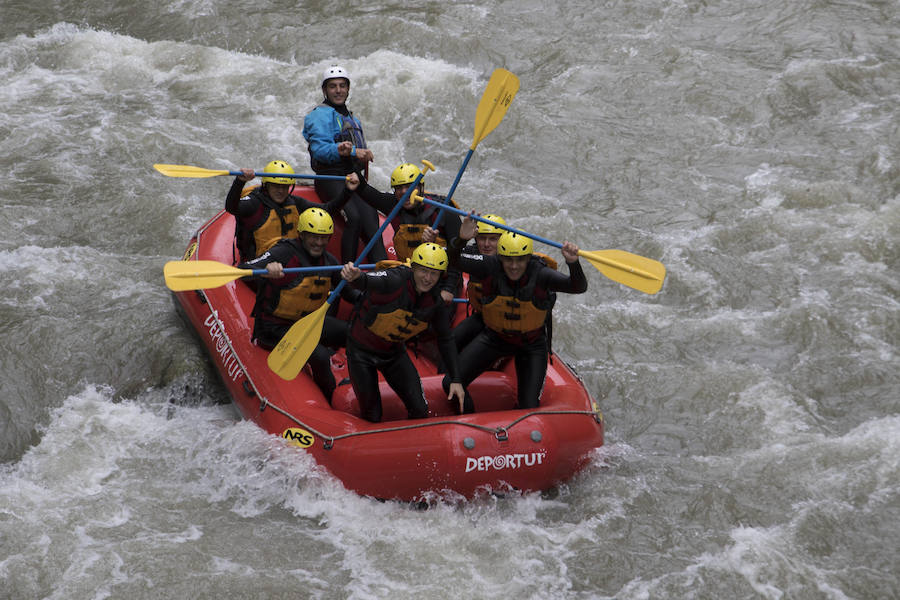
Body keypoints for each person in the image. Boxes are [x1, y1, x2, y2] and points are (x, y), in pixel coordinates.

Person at [443, 218, 587, 413]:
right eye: (508, 259)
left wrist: (573, 263)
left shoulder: (541, 274)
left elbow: (578, 287)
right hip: (495, 338)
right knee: (450, 382)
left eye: (520, 259)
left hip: (531, 345)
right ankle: (469, 419)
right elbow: (453, 259)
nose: (513, 266)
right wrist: (461, 239)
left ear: (528, 258)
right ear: (500, 258)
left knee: (529, 406)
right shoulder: (489, 266)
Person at [239, 207, 361, 402]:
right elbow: (244, 269)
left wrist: (363, 285)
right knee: (320, 356)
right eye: (313, 237)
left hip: (308, 324)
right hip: (274, 329)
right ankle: (331, 398)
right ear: (302, 234)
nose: (319, 243)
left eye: (323, 238)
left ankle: (357, 383)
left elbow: (350, 293)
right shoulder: (284, 252)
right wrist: (266, 270)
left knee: (355, 335)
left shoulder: (329, 261)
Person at [340, 243, 466, 422]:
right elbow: (369, 281)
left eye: (434, 273)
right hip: (361, 353)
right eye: (423, 271)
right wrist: (355, 277)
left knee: (420, 409)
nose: (428, 278)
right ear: (413, 268)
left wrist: (456, 379)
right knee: (372, 415)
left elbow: (446, 339)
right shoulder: (396, 279)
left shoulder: (435, 302)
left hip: (393, 354)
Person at [303, 65, 387, 264]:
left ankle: (384, 270)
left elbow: (354, 152)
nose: (338, 90)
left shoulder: (351, 118)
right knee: (354, 217)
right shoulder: (319, 115)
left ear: (348, 89)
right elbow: (319, 150)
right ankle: (347, 275)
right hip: (330, 178)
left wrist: (362, 154)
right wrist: (344, 150)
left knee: (371, 218)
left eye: (342, 86)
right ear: (325, 90)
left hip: (351, 177)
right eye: (333, 86)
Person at [356, 162, 463, 303]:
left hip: (439, 279)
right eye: (399, 188)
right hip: (408, 275)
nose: (404, 192)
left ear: (421, 188)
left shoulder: (445, 212)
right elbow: (365, 190)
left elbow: (458, 257)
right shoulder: (394, 205)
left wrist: (449, 289)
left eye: (409, 187)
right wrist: (351, 160)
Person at [225, 159, 358, 262]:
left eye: (284, 186)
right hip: (259, 265)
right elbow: (231, 207)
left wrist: (347, 191)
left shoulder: (293, 202)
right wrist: (239, 182)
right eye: (276, 186)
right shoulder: (254, 203)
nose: (281, 191)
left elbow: (326, 210)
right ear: (266, 185)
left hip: (289, 262)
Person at [450, 214, 506, 350]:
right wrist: (461, 240)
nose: (486, 244)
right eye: (482, 238)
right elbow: (450, 255)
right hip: (483, 317)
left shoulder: (512, 262)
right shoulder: (473, 252)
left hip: (507, 324)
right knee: (451, 343)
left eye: (493, 239)